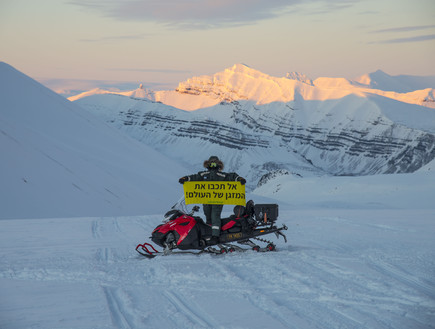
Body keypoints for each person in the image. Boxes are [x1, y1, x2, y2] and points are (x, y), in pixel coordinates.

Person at [179, 156, 246, 245]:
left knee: (215, 216)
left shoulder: (221, 175)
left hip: (217, 201)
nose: (213, 165)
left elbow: (231, 176)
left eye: (215, 163)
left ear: (218, 164)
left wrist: (239, 179)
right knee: (208, 217)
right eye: (211, 163)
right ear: (208, 164)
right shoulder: (204, 174)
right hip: (206, 200)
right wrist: (186, 178)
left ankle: (215, 236)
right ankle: (209, 234)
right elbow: (195, 177)